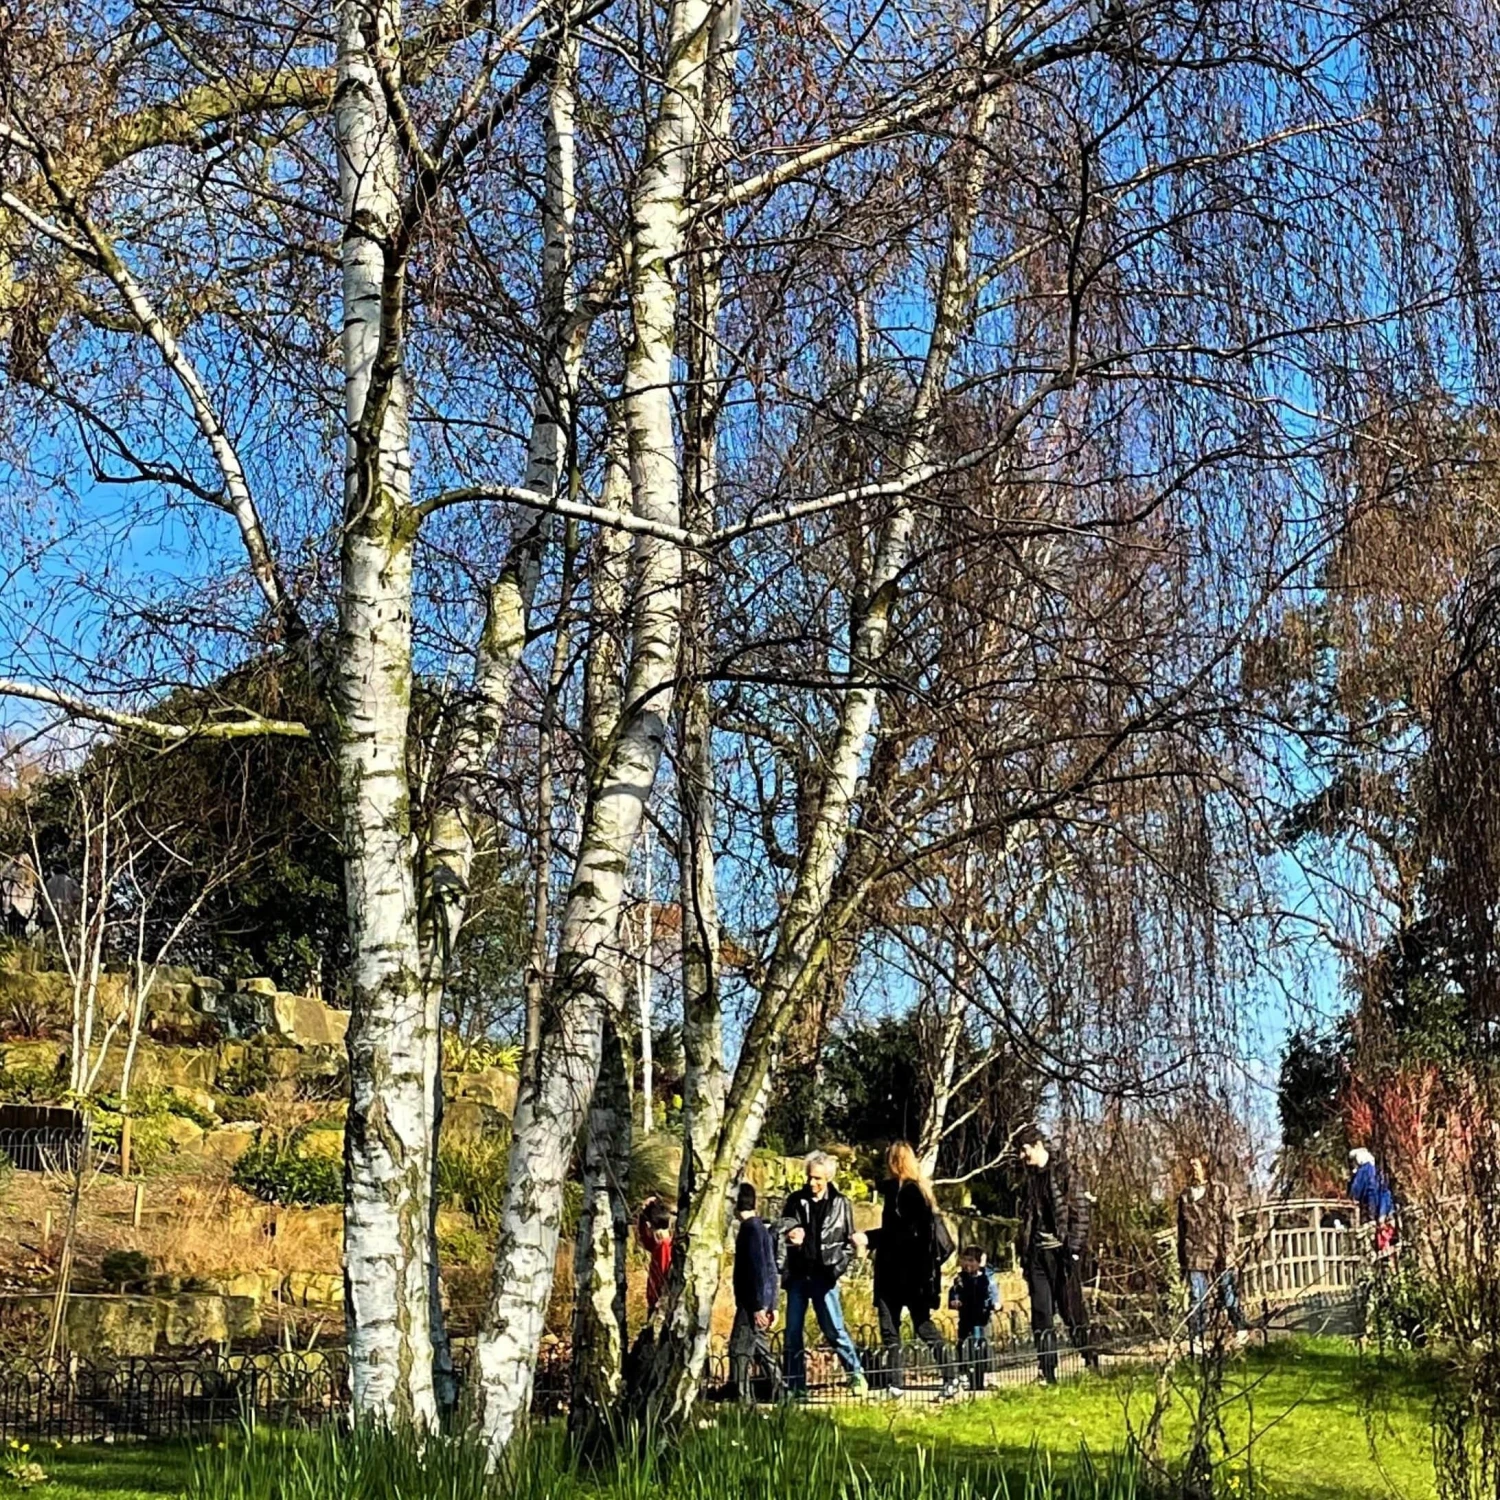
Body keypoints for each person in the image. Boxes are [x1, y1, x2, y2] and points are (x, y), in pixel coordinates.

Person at [861, 1140, 958, 1400]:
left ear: (893, 1162)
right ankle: (930, 1378)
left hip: (901, 1273)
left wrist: (869, 1238)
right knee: (912, 1327)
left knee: (903, 1328)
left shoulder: (905, 1192)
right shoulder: (917, 1191)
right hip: (909, 1274)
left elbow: (900, 1234)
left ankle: (941, 1377)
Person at [778, 1151, 868, 1396]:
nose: (812, 1182)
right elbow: (781, 1226)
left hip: (824, 1276)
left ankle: (856, 1373)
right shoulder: (795, 1200)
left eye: (817, 1178)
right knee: (792, 1333)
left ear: (828, 1178)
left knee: (834, 1329)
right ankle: (795, 1386)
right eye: (809, 1177)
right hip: (798, 1275)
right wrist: (790, 1232)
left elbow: (849, 1241)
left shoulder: (841, 1203)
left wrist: (836, 1270)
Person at [1014, 1123, 1096, 1383]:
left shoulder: (1064, 1172)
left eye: (1024, 1150)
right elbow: (1025, 1218)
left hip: (1061, 1254)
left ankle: (1090, 1358)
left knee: (1071, 1311)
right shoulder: (1028, 1180)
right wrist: (1025, 1253)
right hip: (1037, 1255)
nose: (1022, 1156)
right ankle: (1047, 1371)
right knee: (1041, 1314)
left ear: (1038, 1145)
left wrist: (1073, 1250)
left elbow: (1080, 1211)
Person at [1177, 1156, 1248, 1351]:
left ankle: (1240, 1328)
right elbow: (1181, 1229)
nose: (1193, 1170)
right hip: (1194, 1255)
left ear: (1205, 1168)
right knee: (1197, 1298)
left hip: (1218, 1252)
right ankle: (1197, 1339)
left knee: (1227, 1291)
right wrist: (1182, 1260)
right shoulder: (1185, 1196)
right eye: (1190, 1166)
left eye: (1196, 1165)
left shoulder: (1218, 1191)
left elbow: (1229, 1222)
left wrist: (1228, 1250)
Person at [729, 1182, 784, 1405]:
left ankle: (742, 1399)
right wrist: (773, 1304)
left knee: (739, 1349)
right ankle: (781, 1390)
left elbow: (758, 1270)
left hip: (750, 1302)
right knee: (760, 1347)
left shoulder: (750, 1230)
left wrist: (758, 1306)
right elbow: (771, 1269)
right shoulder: (760, 1227)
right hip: (758, 1300)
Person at [949, 1245, 1002, 1391]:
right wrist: (954, 1301)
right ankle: (964, 1375)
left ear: (979, 1262)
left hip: (982, 1315)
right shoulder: (960, 1279)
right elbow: (954, 1292)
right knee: (963, 1345)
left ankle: (990, 1376)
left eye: (971, 1261)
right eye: (965, 1260)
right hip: (966, 1315)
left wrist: (995, 1303)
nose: (968, 1264)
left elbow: (993, 1291)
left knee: (986, 1345)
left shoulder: (986, 1278)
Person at [1348, 1148, 1397, 1256]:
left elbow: (1356, 1192)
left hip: (1370, 1212)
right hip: (1382, 1211)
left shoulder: (1364, 1171)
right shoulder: (1378, 1172)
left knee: (1371, 1240)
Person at [637, 1195, 673, 1312]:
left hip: (660, 1302)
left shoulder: (664, 1245)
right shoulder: (661, 1244)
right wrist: (642, 1215)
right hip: (656, 1300)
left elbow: (662, 1277)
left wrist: (658, 1300)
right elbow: (645, 1240)